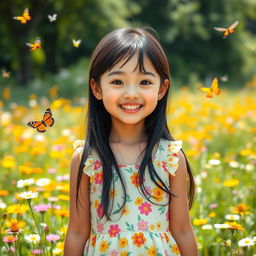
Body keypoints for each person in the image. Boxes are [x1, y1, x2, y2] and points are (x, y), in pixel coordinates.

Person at [64, 27, 198, 256]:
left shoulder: (171, 157)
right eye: (117, 82)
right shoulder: (87, 159)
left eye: (145, 82)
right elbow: (77, 232)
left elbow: (183, 230)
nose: (131, 93)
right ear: (96, 88)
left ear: (161, 89)